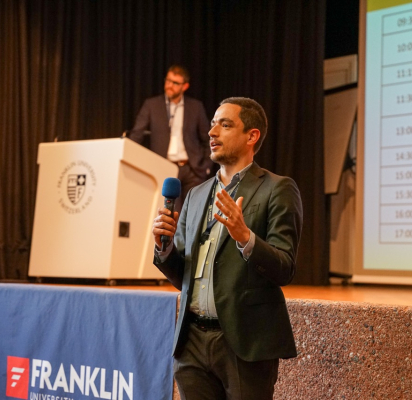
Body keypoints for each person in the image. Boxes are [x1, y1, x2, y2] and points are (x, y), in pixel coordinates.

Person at [151, 97, 303, 399]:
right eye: (211, 125)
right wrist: (164, 249)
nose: (212, 132)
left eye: (225, 124)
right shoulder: (195, 195)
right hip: (191, 342)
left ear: (252, 136)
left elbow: (284, 267)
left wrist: (245, 237)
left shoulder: (277, 188)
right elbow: (183, 275)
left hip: (243, 343)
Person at [129, 65, 212, 211]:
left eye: (175, 83)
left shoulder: (195, 107)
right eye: (168, 80)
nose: (169, 85)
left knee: (193, 213)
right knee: (170, 214)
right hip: (164, 167)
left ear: (185, 86)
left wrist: (205, 167)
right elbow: (137, 134)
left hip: (191, 169)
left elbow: (207, 138)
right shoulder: (152, 105)